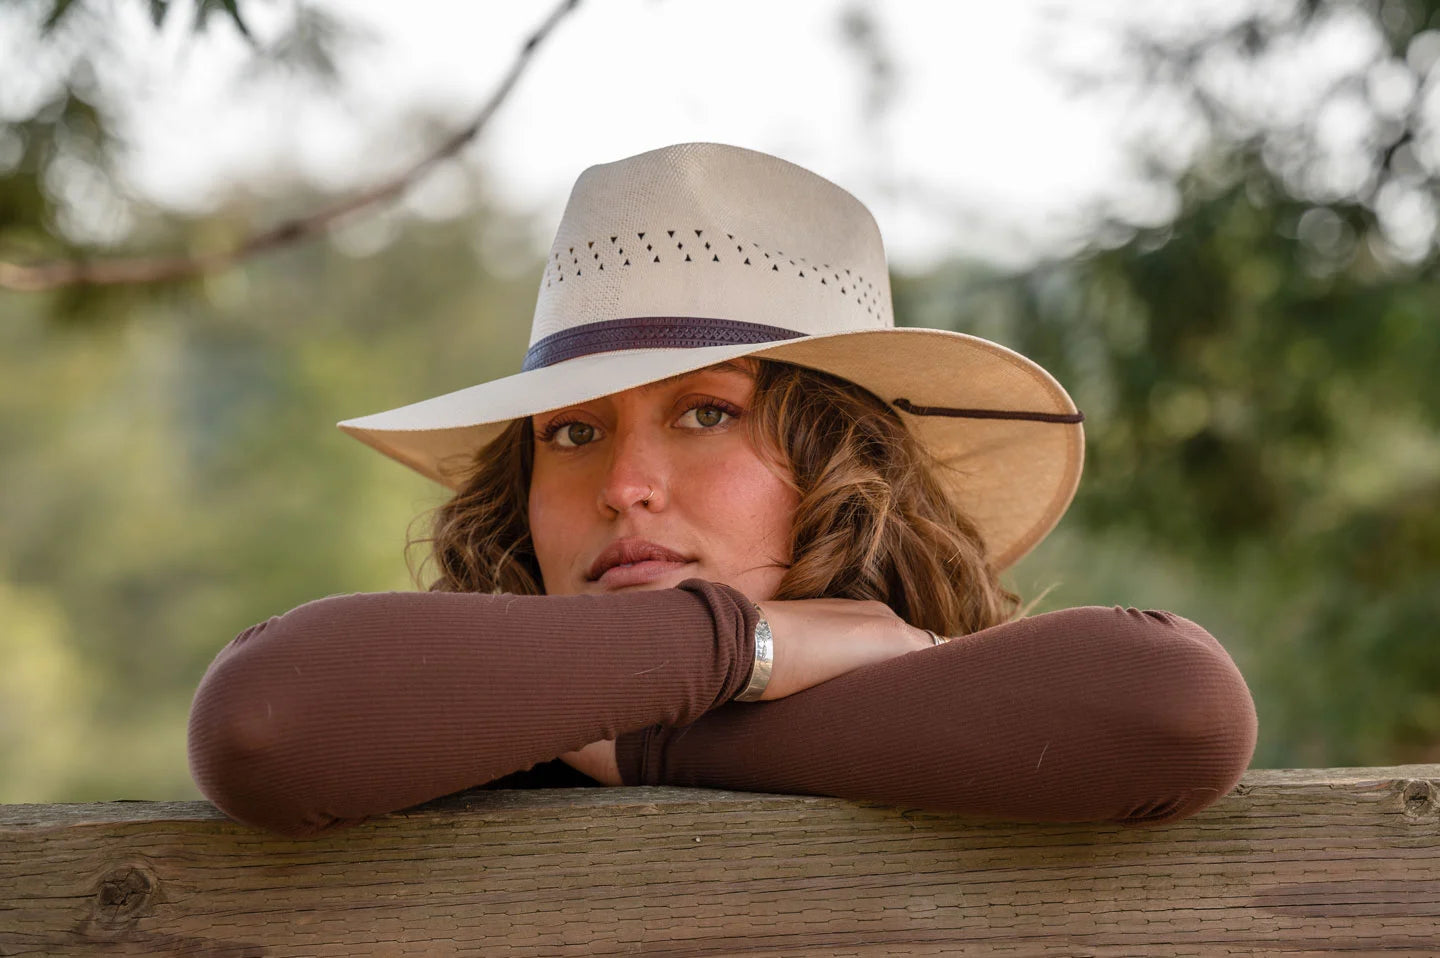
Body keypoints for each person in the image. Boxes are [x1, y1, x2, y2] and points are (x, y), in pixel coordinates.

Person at [186, 142, 1258, 839]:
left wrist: (650, 742)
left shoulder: (993, 719)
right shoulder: (426, 722)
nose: (624, 485)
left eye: (708, 412)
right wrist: (742, 648)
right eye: (571, 430)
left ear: (847, 467)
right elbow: (266, 721)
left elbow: (1177, 706)